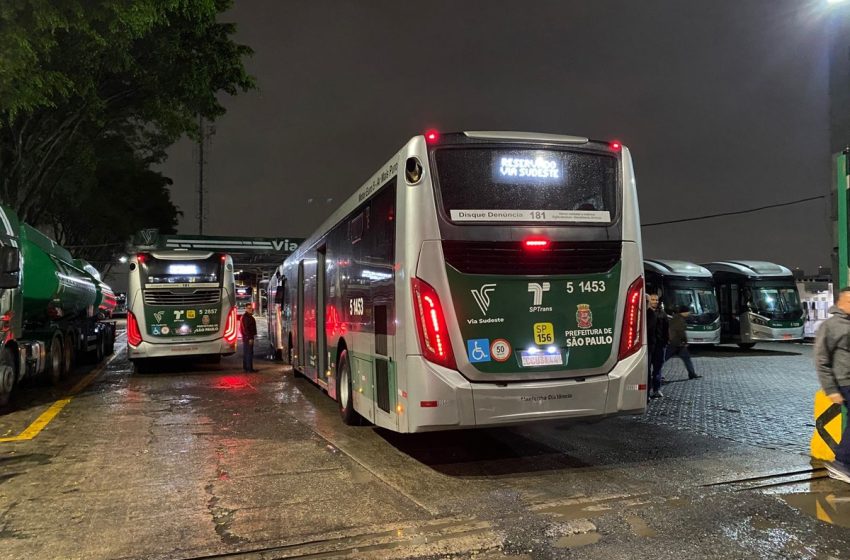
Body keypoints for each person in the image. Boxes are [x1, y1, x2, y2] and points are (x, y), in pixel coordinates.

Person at [814, 287, 850, 483]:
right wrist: (831, 389)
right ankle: (841, 462)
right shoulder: (830, 325)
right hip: (845, 383)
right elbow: (821, 359)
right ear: (840, 302)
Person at [666, 305, 701, 380]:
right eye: (688, 311)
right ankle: (655, 373)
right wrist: (685, 341)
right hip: (676, 343)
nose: (689, 313)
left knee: (686, 358)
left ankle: (692, 373)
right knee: (664, 358)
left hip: (677, 343)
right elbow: (681, 332)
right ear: (684, 312)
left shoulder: (676, 318)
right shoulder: (679, 320)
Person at [646, 294, 669, 398]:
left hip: (660, 345)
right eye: (652, 299)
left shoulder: (662, 314)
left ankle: (656, 389)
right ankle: (646, 392)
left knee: (658, 368)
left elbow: (666, 329)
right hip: (649, 345)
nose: (655, 301)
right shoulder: (646, 313)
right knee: (647, 369)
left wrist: (665, 342)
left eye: (656, 300)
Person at [240, 303, 258, 372]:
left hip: (247, 337)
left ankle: (246, 367)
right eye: (249, 308)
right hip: (248, 338)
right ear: (246, 309)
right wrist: (249, 337)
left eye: (251, 308)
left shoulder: (247, 317)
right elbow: (246, 329)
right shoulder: (246, 317)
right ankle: (249, 368)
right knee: (249, 353)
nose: (250, 310)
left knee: (247, 352)